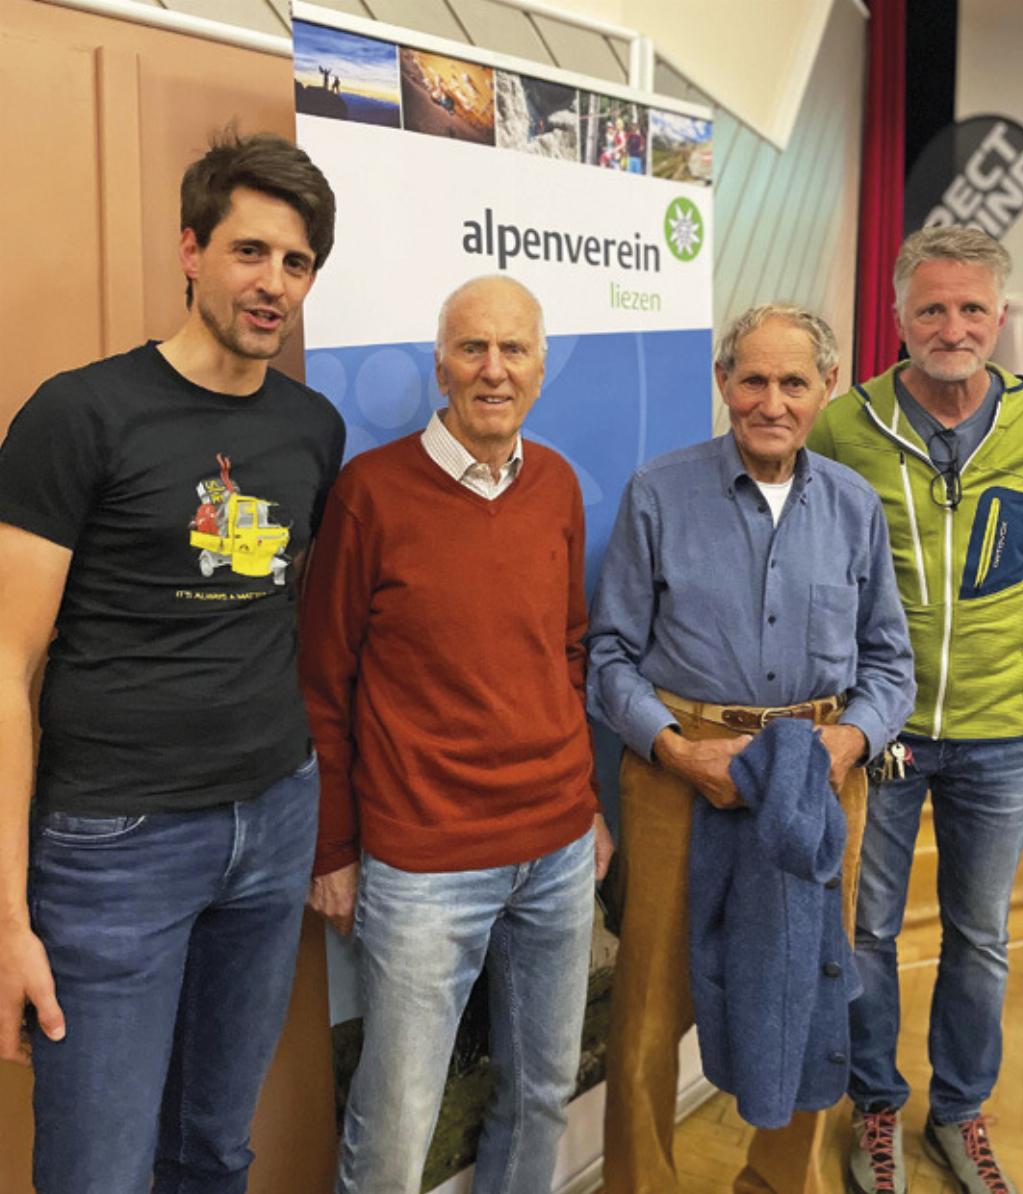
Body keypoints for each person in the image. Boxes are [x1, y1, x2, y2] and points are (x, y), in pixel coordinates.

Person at [0, 130, 344, 1194]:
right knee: (97, 1172)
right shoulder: (80, 413)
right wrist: (7, 917)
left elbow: (278, 613)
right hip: (115, 846)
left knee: (213, 1150)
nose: (273, 283)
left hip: (273, 817)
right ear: (191, 251)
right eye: (250, 252)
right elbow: (7, 665)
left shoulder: (313, 428)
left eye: (296, 262)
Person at [588, 303, 914, 1194]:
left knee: (811, 990)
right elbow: (609, 655)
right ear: (723, 382)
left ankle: (778, 1180)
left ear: (826, 388)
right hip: (677, 774)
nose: (773, 402)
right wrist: (672, 749)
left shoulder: (854, 506)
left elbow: (890, 663)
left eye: (794, 382)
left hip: (817, 775)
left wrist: (850, 740)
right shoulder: (658, 493)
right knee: (650, 1003)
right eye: (754, 380)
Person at [299, 274, 614, 1194]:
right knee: (397, 1122)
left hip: (557, 850)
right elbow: (322, 685)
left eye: (514, 349)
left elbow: (564, 652)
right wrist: (333, 850)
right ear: (441, 366)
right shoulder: (370, 494)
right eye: (473, 348)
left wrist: (587, 803)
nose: (493, 369)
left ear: (541, 370)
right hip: (424, 865)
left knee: (542, 1093)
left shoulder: (556, 485)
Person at [809, 226, 1023, 1194]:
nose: (951, 327)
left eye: (970, 309)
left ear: (998, 317)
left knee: (981, 935)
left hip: (1000, 734)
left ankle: (960, 1112)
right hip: (879, 731)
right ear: (898, 317)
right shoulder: (844, 427)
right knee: (866, 932)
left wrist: (1007, 633)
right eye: (931, 308)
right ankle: (876, 1107)